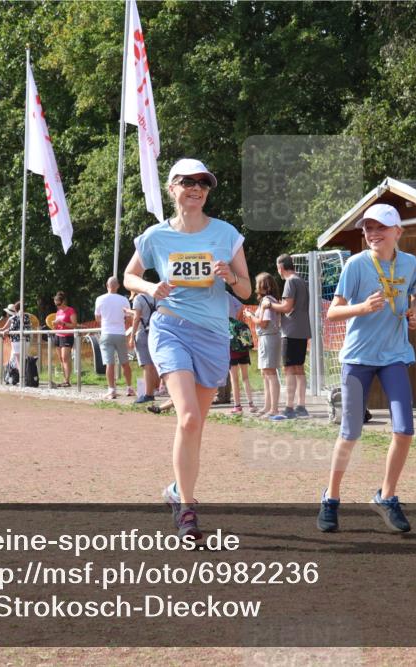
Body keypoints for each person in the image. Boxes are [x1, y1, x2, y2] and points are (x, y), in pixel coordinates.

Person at [123, 157, 251, 538]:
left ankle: (177, 490)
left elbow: (245, 289)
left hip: (212, 334)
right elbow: (130, 275)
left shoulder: (227, 234)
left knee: (197, 426)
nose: (196, 188)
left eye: (203, 183)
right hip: (170, 329)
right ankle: (187, 510)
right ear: (171, 188)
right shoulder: (156, 236)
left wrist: (230, 276)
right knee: (189, 418)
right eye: (187, 182)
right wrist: (151, 287)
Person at [317, 204, 416, 534]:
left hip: (394, 355)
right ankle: (331, 498)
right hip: (357, 359)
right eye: (368, 228)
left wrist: (414, 312)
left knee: (405, 430)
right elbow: (333, 313)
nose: (373, 233)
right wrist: (362, 308)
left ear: (398, 232)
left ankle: (386, 495)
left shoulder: (410, 264)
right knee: (350, 432)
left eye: (381, 227)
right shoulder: (356, 264)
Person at [267, 254, 311, 419]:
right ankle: (301, 406)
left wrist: (269, 304)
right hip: (302, 329)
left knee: (289, 369)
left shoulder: (290, 281)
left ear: (281, 267)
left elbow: (286, 307)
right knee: (299, 368)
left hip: (291, 330)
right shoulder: (301, 280)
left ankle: (289, 407)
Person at [244, 272, 284, 419]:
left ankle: (274, 408)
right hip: (266, 338)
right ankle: (268, 406)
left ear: (264, 286)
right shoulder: (268, 300)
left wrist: (250, 316)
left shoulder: (267, 300)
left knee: (270, 373)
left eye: (257, 284)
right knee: (265, 373)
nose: (255, 287)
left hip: (269, 337)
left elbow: (263, 322)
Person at [94, 277, 134, 399]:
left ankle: (111, 390)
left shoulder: (100, 299)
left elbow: (97, 317)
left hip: (106, 333)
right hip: (120, 333)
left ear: (107, 285)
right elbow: (128, 318)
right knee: (125, 363)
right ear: (118, 286)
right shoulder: (124, 300)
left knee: (109, 364)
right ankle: (129, 388)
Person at [227, 296, 256, 415]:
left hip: (230, 344)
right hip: (241, 342)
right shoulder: (228, 295)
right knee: (245, 377)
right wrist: (237, 319)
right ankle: (251, 403)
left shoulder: (215, 296)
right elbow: (241, 306)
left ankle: (237, 405)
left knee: (234, 378)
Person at [130, 289, 159, 404]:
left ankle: (148, 394)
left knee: (147, 365)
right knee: (155, 364)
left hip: (143, 333)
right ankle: (157, 388)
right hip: (156, 332)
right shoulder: (156, 297)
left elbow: (136, 317)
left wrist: (132, 336)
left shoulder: (138, 298)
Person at [52, 291, 77, 387]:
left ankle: (67, 380)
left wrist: (63, 323)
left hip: (67, 336)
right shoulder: (58, 312)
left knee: (65, 357)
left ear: (63, 302)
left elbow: (74, 325)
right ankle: (64, 379)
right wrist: (55, 325)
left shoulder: (70, 310)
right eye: (56, 304)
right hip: (58, 335)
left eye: (58, 303)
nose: (57, 306)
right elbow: (57, 325)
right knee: (61, 359)